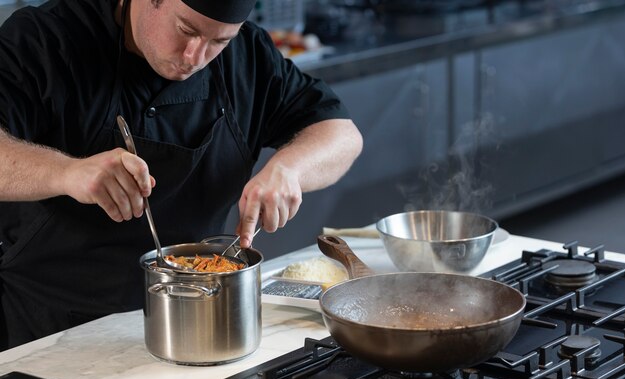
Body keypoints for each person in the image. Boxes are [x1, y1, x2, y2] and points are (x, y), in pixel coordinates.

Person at [0, 0, 363, 350]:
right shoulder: (45, 40)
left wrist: (290, 168)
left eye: (219, 42)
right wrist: (67, 172)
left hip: (195, 323)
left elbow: (342, 135)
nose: (195, 57)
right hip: (47, 330)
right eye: (186, 30)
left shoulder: (247, 55)